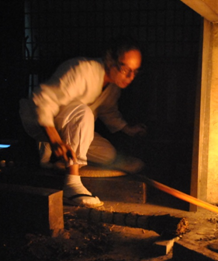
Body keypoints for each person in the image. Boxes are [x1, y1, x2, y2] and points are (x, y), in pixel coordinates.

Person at [19, 37, 147, 207]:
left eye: (135, 71)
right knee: (83, 112)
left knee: (108, 155)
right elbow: (43, 99)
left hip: (72, 128)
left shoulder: (113, 86)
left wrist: (128, 129)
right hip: (42, 122)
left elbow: (108, 111)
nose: (130, 76)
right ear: (111, 61)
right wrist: (55, 140)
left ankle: (57, 161)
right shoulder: (82, 69)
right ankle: (72, 184)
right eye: (125, 69)